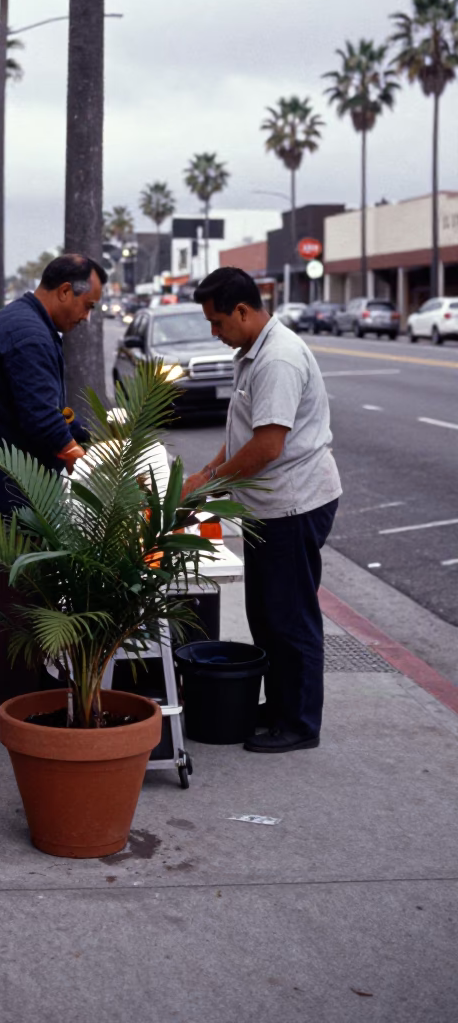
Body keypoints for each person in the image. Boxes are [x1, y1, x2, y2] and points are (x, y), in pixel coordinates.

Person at [0, 253, 107, 737]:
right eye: (87, 304)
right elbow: (40, 420)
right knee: (13, 601)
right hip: (5, 489)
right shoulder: (30, 334)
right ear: (63, 291)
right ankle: (15, 716)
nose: (87, 316)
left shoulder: (21, 321)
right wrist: (91, 464)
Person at [182, 267, 342, 754]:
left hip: (293, 505)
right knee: (267, 615)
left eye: (217, 321)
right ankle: (278, 707)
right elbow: (242, 438)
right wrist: (204, 474)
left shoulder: (278, 360)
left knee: (290, 617)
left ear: (243, 311)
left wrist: (208, 484)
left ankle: (298, 723)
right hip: (269, 507)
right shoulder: (252, 353)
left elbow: (268, 446)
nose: (214, 332)